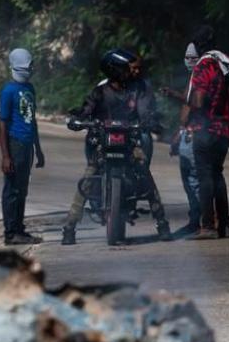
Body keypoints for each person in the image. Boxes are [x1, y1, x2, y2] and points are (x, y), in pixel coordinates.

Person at [61, 49, 171, 245]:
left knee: (144, 172)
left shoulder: (137, 89)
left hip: (129, 140)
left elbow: (145, 111)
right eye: (125, 68)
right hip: (102, 141)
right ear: (116, 70)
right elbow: (87, 109)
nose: (129, 71)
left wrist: (151, 121)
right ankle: (69, 228)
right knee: (88, 178)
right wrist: (77, 119)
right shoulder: (100, 91)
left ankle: (162, 223)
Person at [182, 25, 229, 240]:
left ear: (197, 46)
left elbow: (198, 99)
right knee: (217, 174)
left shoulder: (203, 65)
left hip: (205, 129)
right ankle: (225, 225)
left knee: (205, 175)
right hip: (225, 127)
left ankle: (207, 226)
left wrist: (187, 114)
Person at [0, 48, 45, 245]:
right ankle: (11, 233)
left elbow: (32, 121)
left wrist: (38, 149)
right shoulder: (8, 91)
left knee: (22, 189)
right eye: (30, 65)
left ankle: (19, 229)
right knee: (12, 190)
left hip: (27, 145)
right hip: (15, 144)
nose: (32, 68)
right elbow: (2, 125)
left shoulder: (30, 89)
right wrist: (6, 156)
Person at [161, 43, 201, 236]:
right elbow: (186, 104)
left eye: (194, 58)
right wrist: (179, 132)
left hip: (194, 134)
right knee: (189, 181)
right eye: (188, 57)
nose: (190, 61)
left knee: (195, 181)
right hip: (188, 133)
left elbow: (192, 104)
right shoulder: (194, 78)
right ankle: (197, 219)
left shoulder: (201, 78)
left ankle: (201, 220)